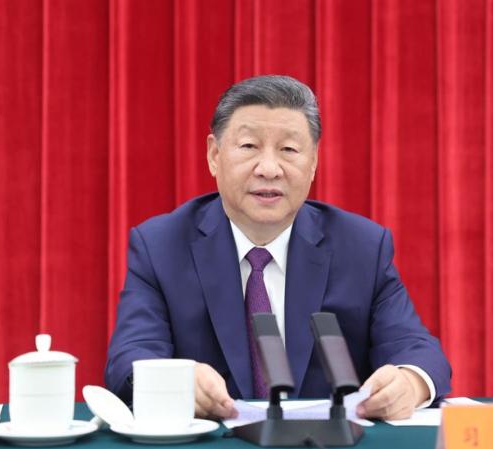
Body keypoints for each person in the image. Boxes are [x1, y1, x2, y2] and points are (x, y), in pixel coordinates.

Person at [105, 75, 451, 421]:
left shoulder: (361, 247)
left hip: (327, 445)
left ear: (313, 162)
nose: (269, 169)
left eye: (288, 150)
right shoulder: (162, 246)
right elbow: (128, 359)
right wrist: (173, 383)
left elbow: (417, 350)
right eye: (249, 146)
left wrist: (409, 384)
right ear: (214, 155)